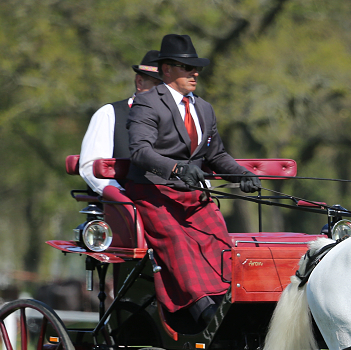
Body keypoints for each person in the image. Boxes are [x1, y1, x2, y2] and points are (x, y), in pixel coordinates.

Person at [126, 34, 261, 327]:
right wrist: (176, 169)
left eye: (195, 68)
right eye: (187, 68)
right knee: (176, 241)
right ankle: (203, 311)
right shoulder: (147, 103)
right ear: (167, 70)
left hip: (191, 192)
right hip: (153, 191)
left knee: (218, 238)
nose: (194, 73)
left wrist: (242, 175)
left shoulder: (204, 108)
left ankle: (227, 301)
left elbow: (217, 156)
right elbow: (140, 151)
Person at [79, 50, 163, 195]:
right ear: (139, 82)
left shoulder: (180, 118)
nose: (163, 93)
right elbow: (90, 167)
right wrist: (120, 195)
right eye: (157, 85)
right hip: (119, 208)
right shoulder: (109, 114)